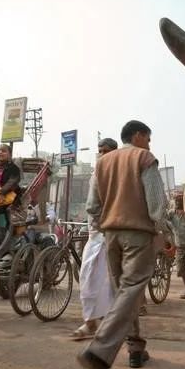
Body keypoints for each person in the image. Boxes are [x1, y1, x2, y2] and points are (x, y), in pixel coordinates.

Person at [78, 120, 167, 369]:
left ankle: (135, 348)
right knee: (130, 293)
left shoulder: (102, 162)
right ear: (139, 136)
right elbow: (156, 205)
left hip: (110, 236)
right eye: (148, 138)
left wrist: (105, 227)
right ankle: (98, 352)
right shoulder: (144, 157)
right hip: (137, 235)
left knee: (124, 296)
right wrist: (163, 232)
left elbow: (92, 206)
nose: (149, 143)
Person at [71, 138, 118, 340]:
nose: (101, 154)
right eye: (100, 151)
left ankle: (110, 326)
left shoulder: (120, 176)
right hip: (95, 233)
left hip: (114, 233)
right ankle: (90, 323)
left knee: (112, 283)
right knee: (88, 278)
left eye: (106, 151)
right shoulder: (95, 175)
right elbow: (91, 206)